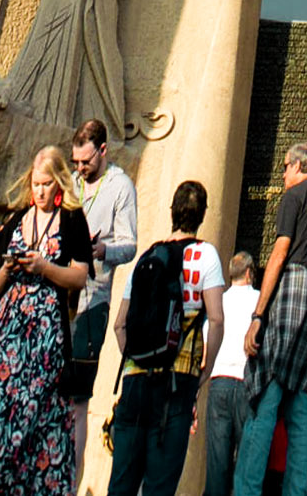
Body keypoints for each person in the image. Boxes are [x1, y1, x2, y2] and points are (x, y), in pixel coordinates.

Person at [0, 144, 91, 496]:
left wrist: (44, 267)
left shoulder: (72, 220)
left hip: (45, 335)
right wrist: (11, 267)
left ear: (59, 183)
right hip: (8, 330)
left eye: (47, 184)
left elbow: (79, 276)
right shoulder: (16, 221)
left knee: (36, 417)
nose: (41, 191)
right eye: (36, 184)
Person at [235, 141, 307, 496]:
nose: (282, 174)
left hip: (293, 286)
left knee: (267, 394)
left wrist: (258, 314)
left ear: (298, 166)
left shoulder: (294, 196)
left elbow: (280, 253)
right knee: (303, 408)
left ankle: (246, 491)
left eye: (285, 167)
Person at [111, 178, 227, 496]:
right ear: (203, 215)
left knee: (121, 481)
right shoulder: (206, 256)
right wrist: (204, 371)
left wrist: (138, 358)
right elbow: (216, 319)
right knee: (160, 485)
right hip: (178, 380)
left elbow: (120, 324)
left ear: (171, 211)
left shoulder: (148, 257)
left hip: (135, 380)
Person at [70, 116, 139, 388]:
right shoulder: (72, 182)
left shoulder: (120, 186)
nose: (80, 168)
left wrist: (103, 250)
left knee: (78, 390)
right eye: (76, 162)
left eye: (86, 162)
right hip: (62, 293)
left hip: (92, 297)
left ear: (103, 150)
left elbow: (129, 245)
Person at [206, 255, 259, 496]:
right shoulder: (259, 301)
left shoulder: (219, 301)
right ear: (249, 273)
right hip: (247, 383)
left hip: (218, 382)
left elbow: (207, 344)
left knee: (217, 461)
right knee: (245, 461)